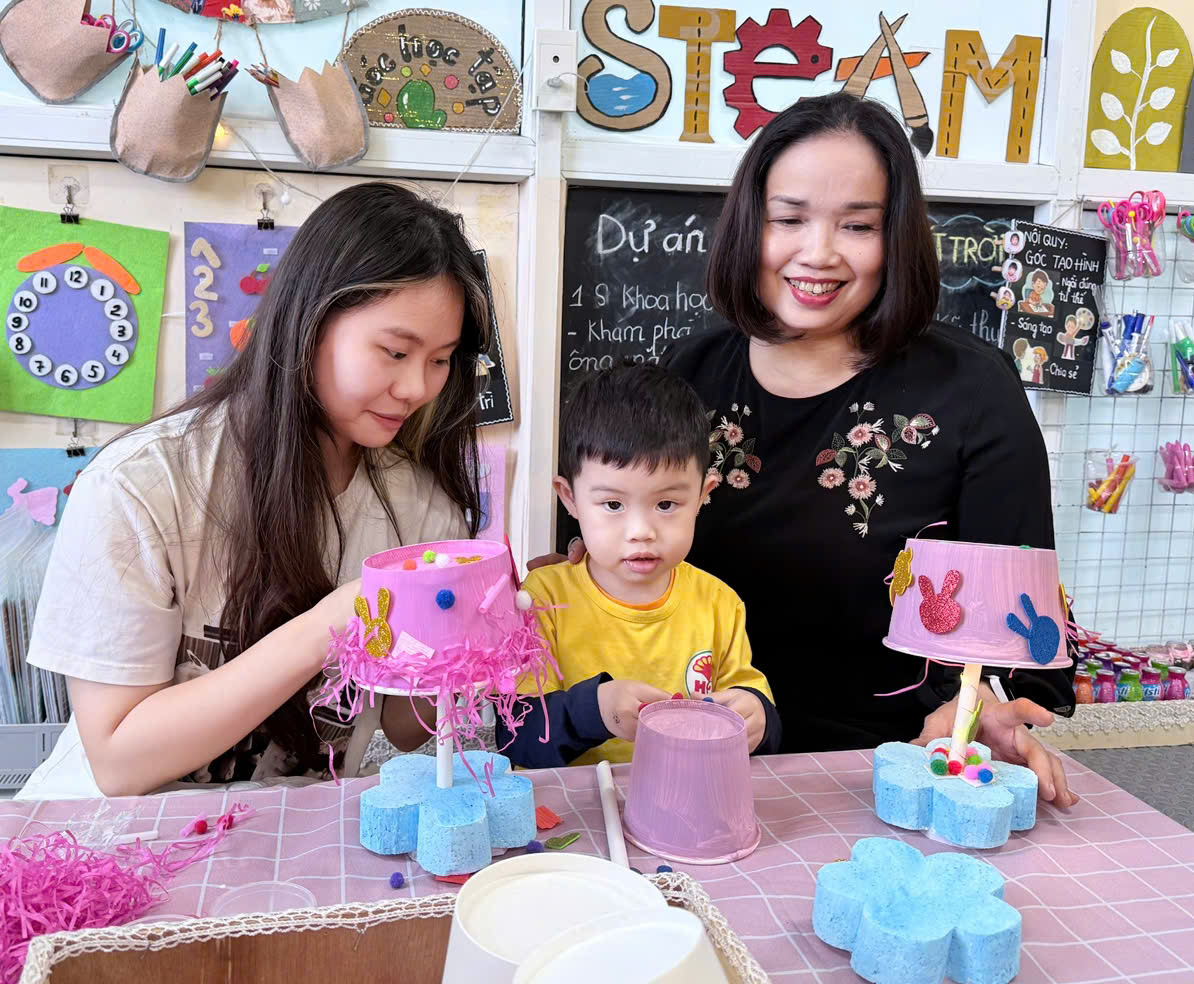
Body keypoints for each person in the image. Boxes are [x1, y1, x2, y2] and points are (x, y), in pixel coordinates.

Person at [541, 93, 1078, 807]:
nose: (817, 253)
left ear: (897, 237)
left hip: (884, 769)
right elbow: (599, 561)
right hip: (685, 767)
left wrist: (985, 714)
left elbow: (1022, 624)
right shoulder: (691, 372)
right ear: (748, 225)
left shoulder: (973, 392)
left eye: (856, 225)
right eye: (788, 219)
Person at [18, 182, 494, 800]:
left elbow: (406, 732)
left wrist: (471, 655)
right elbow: (119, 764)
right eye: (395, 351)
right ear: (308, 321)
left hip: (290, 843)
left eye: (441, 360)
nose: (417, 388)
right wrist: (330, 624)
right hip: (112, 846)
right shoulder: (141, 485)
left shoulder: (420, 506)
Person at [505, 363, 782, 769]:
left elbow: (751, 704)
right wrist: (595, 710)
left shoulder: (718, 603)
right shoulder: (541, 599)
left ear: (703, 495)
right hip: (574, 815)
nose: (641, 531)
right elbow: (517, 738)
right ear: (570, 498)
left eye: (666, 504)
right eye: (613, 505)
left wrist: (759, 717)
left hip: (687, 804)